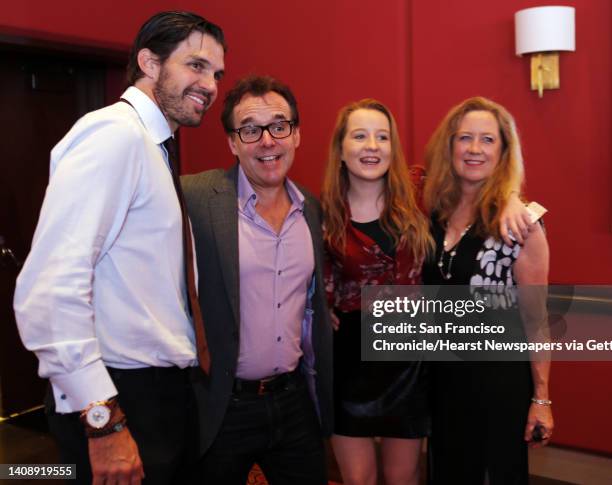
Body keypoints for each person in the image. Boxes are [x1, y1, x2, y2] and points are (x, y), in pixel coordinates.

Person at [13, 11, 225, 485]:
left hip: (159, 392)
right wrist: (104, 422)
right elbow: (50, 289)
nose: (210, 84)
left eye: (216, 73)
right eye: (195, 65)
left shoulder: (153, 146)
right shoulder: (114, 136)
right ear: (149, 62)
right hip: (120, 396)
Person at [181, 75, 333, 485]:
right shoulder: (194, 197)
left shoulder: (311, 210)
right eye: (250, 129)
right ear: (232, 142)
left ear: (296, 134)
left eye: (279, 126)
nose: (267, 141)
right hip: (223, 406)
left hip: (294, 401)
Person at [422, 96, 554, 484]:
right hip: (443, 383)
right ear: (450, 147)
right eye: (465, 138)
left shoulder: (521, 224)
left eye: (488, 140)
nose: (475, 149)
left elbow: (537, 318)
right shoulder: (433, 214)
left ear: (504, 150)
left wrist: (542, 399)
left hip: (499, 385)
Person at [321, 99, 432, 485]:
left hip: (409, 360)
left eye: (382, 137)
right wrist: (321, 306)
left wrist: (517, 206)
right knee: (358, 479)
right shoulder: (321, 216)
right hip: (348, 362)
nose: (372, 145)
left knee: (404, 478)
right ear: (341, 148)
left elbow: (480, 193)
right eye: (360, 135)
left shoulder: (421, 194)